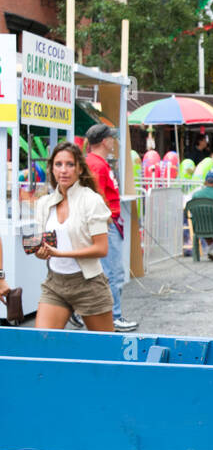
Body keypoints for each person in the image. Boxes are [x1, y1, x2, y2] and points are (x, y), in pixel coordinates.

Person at [32, 141, 115, 331]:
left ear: (79, 168)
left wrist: (61, 253)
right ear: (52, 169)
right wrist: (41, 252)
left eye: (70, 164)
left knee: (104, 350)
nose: (64, 170)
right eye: (58, 164)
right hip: (55, 283)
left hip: (88, 283)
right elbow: (43, 245)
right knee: (42, 345)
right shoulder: (45, 203)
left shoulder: (91, 200)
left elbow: (101, 249)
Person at [84, 124, 138, 332]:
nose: (114, 142)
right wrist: (107, 217)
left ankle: (104, 314)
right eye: (111, 138)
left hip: (108, 222)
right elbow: (96, 196)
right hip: (107, 224)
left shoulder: (96, 163)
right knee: (112, 272)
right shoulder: (96, 164)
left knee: (107, 272)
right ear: (104, 141)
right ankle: (114, 316)